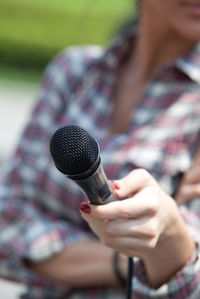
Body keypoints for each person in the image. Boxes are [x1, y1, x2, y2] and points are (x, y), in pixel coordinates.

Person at [1, 0, 200, 298]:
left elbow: (192, 282)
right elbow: (7, 224)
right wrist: (126, 262)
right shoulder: (72, 72)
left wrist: (169, 229)